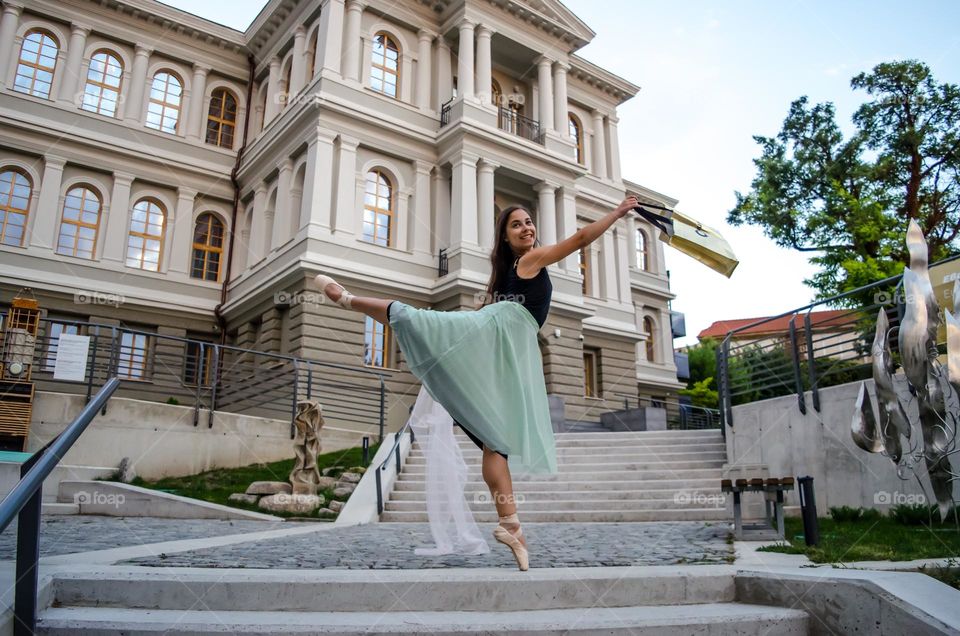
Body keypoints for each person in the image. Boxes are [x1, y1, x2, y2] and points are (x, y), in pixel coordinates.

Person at [315, 195, 640, 570]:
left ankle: (511, 526)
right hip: (502, 343)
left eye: (529, 222)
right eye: (516, 224)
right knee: (415, 318)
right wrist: (617, 212)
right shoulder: (530, 260)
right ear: (505, 238)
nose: (527, 228)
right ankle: (347, 298)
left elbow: (490, 311)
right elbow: (581, 239)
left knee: (495, 443)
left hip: (502, 349)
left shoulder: (505, 275)